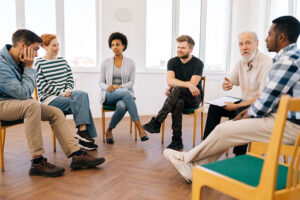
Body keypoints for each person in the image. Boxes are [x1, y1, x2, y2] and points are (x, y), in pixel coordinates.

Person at [163, 16, 300, 183]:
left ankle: (187, 159)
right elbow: (247, 87)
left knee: (225, 129)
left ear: (281, 37)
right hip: (277, 117)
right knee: (223, 120)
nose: (266, 38)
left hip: (287, 125)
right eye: (241, 44)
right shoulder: (288, 57)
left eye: (269, 34)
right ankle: (195, 167)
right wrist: (229, 86)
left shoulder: (286, 61)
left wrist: (247, 112)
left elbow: (266, 98)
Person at [0, 29, 105, 177]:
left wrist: (27, 67)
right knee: (31, 105)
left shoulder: (20, 59)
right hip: (3, 104)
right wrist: (29, 68)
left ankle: (77, 155)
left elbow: (25, 92)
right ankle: (37, 162)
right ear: (23, 45)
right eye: (36, 49)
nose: (37, 54)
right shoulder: (2, 64)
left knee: (55, 112)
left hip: (19, 103)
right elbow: (24, 93)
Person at [204, 31, 272, 156]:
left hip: (260, 107)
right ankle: (207, 146)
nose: (244, 47)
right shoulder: (241, 61)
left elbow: (263, 96)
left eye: (248, 43)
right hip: (244, 102)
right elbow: (232, 81)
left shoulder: (267, 63)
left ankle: (238, 155)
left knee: (240, 110)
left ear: (257, 44)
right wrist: (226, 85)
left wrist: (236, 106)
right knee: (214, 108)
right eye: (241, 44)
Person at [34, 34, 98, 151]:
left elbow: (70, 78)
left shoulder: (62, 61)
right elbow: (43, 86)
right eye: (54, 45)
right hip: (49, 99)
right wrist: (62, 93)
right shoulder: (39, 63)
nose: (57, 47)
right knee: (81, 103)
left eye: (57, 44)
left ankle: (82, 133)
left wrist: (68, 90)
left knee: (82, 95)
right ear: (45, 46)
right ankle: (84, 136)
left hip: (67, 95)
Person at [143, 35, 204, 150]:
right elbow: (170, 81)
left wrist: (177, 85)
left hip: (194, 97)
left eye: (183, 48)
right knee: (178, 102)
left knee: (176, 90)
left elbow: (193, 84)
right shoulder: (172, 62)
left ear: (191, 49)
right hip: (179, 96)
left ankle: (157, 121)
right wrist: (186, 84)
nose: (179, 50)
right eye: (178, 47)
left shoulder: (198, 63)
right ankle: (177, 141)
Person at [99, 32, 148, 143]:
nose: (115, 47)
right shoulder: (105, 63)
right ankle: (140, 128)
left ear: (123, 46)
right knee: (126, 93)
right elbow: (101, 82)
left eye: (118, 44)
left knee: (122, 106)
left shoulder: (131, 63)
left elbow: (131, 82)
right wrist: (108, 87)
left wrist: (120, 86)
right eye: (112, 45)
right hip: (109, 94)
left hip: (123, 95)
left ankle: (109, 130)